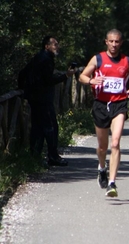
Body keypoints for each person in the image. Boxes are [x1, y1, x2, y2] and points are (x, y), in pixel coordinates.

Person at [79, 29, 129, 197]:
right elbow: (82, 76)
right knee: (103, 147)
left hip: (119, 104)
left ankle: (112, 182)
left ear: (121, 42)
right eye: (111, 41)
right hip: (100, 104)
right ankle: (101, 167)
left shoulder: (127, 61)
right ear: (106, 42)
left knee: (116, 142)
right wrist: (91, 80)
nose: (114, 44)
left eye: (117, 41)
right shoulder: (98, 59)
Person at [28, 36, 75, 167]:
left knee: (37, 128)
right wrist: (65, 76)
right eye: (55, 44)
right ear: (46, 46)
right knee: (51, 127)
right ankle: (53, 156)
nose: (57, 46)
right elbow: (48, 80)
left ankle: (34, 157)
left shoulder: (39, 57)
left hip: (35, 98)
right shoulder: (46, 59)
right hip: (42, 98)